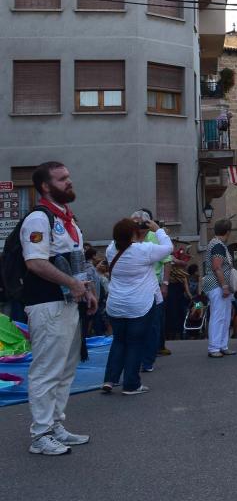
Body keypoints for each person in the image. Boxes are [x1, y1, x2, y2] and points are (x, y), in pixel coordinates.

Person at [20, 162, 97, 455]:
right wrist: (73, 285)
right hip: (47, 304)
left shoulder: (68, 219)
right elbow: (35, 262)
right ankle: (40, 435)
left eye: (68, 177)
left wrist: (86, 290)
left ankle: (54, 425)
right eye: (62, 179)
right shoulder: (39, 219)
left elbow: (75, 262)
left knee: (65, 371)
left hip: (68, 303)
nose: (69, 181)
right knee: (46, 371)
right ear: (45, 186)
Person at [102, 218, 173, 395]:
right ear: (133, 233)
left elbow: (119, 238)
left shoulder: (111, 250)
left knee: (119, 341)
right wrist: (157, 229)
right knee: (134, 343)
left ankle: (110, 380)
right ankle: (131, 384)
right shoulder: (144, 250)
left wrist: (129, 226)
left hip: (116, 305)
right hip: (138, 306)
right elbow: (168, 248)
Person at [132, 209, 172, 370]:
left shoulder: (155, 238)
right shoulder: (125, 239)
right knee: (136, 325)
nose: (137, 225)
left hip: (153, 286)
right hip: (134, 288)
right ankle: (137, 357)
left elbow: (167, 260)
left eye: (140, 222)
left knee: (153, 325)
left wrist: (165, 283)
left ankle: (147, 360)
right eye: (133, 222)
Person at [203, 219, 237, 357]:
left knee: (224, 316)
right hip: (217, 286)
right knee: (218, 316)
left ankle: (222, 345)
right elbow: (217, 267)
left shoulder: (216, 244)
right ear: (228, 232)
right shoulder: (218, 246)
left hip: (218, 286)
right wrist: (224, 286)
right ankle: (214, 348)